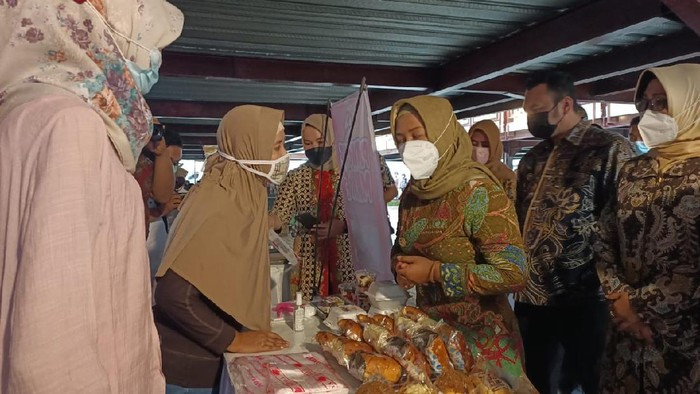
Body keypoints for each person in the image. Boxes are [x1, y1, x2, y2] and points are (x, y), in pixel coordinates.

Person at [0, 0, 183, 392]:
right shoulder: (71, 126)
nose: (153, 61)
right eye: (148, 43)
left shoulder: (30, 114)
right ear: (103, 30)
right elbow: (52, 344)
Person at [153, 105, 290, 392]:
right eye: (276, 147)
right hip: (189, 369)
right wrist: (233, 340)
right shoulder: (221, 201)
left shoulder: (239, 191)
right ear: (249, 149)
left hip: (204, 360)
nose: (283, 157)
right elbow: (173, 294)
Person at [514, 71, 635, 394]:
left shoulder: (608, 150)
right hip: (532, 296)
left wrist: (620, 289)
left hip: (587, 298)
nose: (532, 117)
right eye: (528, 110)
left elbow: (625, 225)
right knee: (536, 382)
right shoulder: (531, 158)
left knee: (596, 380)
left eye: (537, 109)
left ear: (565, 104)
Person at [390, 96, 528, 378]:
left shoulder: (479, 191)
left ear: (442, 133)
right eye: (401, 139)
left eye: (417, 136)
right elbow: (401, 245)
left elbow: (514, 273)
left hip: (483, 344)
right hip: (430, 340)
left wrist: (436, 272)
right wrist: (399, 267)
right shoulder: (412, 195)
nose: (409, 147)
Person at [595, 63, 700, 393]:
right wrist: (618, 299)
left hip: (686, 340)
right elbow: (603, 238)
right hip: (626, 338)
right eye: (645, 104)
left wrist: (639, 306)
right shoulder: (633, 171)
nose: (650, 113)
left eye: (662, 102)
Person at [269, 114, 354, 300]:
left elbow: (368, 217)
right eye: (307, 143)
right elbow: (279, 216)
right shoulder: (295, 177)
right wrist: (266, 220)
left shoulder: (351, 175)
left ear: (332, 138)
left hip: (347, 258)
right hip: (309, 260)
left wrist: (343, 225)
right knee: (310, 315)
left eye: (321, 140)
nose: (315, 147)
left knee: (349, 311)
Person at [134, 120, 184, 234]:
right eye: (170, 161)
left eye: (176, 164)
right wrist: (162, 210)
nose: (172, 168)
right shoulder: (133, 180)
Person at [468, 120, 517, 201]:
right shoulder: (462, 173)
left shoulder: (506, 177)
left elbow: (510, 208)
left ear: (494, 146)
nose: (479, 149)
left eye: (485, 145)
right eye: (474, 143)